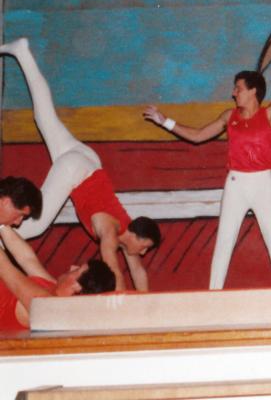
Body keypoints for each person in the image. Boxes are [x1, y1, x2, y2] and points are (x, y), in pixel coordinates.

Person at [1, 39, 161, 292]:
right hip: (78, 170)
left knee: (44, 117)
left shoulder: (124, 234)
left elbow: (138, 272)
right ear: (135, 236)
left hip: (87, 161)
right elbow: (112, 269)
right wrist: (123, 305)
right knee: (37, 224)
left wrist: (146, 301)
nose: (142, 253)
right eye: (145, 247)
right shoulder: (111, 232)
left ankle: (21, 52)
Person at [144, 62, 271, 289]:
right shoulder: (229, 117)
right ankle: (214, 294)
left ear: (253, 91)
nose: (233, 93)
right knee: (224, 242)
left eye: (238, 88)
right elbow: (198, 135)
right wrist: (164, 121)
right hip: (236, 184)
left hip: (262, 184)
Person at [0, 224, 115, 330]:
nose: (72, 267)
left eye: (78, 269)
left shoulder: (44, 306)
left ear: (77, 287)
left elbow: (5, 267)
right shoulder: (53, 288)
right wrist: (3, 224)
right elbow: (27, 259)